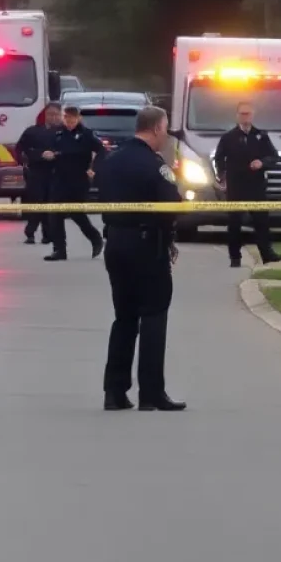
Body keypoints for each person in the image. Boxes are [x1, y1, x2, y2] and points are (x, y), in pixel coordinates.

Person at [97, 106, 186, 412]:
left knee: (124, 317)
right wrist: (170, 236)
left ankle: (114, 391)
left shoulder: (111, 161)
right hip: (147, 244)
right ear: (157, 128)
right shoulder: (155, 165)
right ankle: (151, 392)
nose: (166, 136)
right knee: (153, 313)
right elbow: (170, 207)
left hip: (116, 242)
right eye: (165, 129)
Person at [214, 100, 281, 268]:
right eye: (242, 114)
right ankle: (235, 258)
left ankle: (267, 254)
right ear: (237, 116)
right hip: (236, 186)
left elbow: (274, 157)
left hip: (256, 186)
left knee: (261, 221)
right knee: (234, 223)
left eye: (248, 113)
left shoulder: (261, 136)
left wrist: (262, 162)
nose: (245, 117)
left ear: (253, 115)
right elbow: (219, 159)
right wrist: (222, 177)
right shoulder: (228, 137)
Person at [44, 104, 104, 261]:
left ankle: (95, 238)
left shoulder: (86, 135)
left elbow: (102, 151)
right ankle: (59, 250)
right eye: (66, 117)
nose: (69, 121)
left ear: (79, 118)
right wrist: (46, 154)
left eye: (72, 118)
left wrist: (94, 168)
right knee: (55, 215)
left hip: (78, 179)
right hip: (59, 178)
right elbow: (48, 150)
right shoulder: (57, 133)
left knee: (76, 213)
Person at [17, 102, 62, 245]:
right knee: (36, 203)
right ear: (45, 115)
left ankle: (48, 235)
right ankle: (30, 232)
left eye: (56, 115)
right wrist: (38, 155)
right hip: (36, 173)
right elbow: (20, 149)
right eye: (50, 114)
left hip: (56, 173)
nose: (53, 117)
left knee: (51, 205)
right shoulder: (33, 132)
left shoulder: (65, 133)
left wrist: (56, 154)